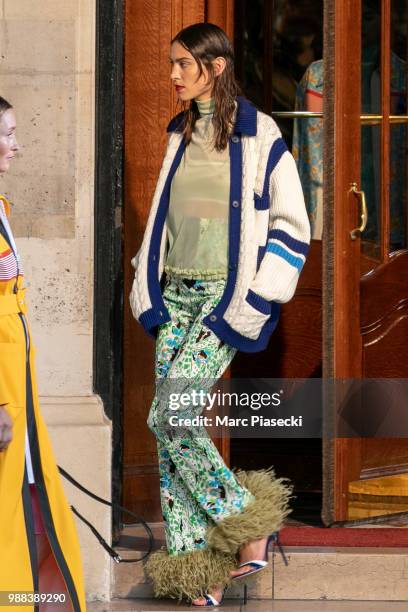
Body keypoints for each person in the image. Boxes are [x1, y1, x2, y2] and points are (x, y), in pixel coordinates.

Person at [130, 23, 311, 607]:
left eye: (184, 63)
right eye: (172, 63)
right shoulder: (177, 132)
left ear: (216, 65)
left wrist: (260, 296)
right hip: (175, 295)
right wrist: (147, 280)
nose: (174, 74)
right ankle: (196, 574)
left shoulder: (262, 135)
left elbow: (292, 227)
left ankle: (246, 520)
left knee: (171, 417)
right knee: (169, 435)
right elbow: (169, 217)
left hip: (221, 300)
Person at [0, 96, 86, 611]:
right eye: (7, 133)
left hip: (18, 382)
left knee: (25, 501)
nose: (17, 145)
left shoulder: (1, 207)